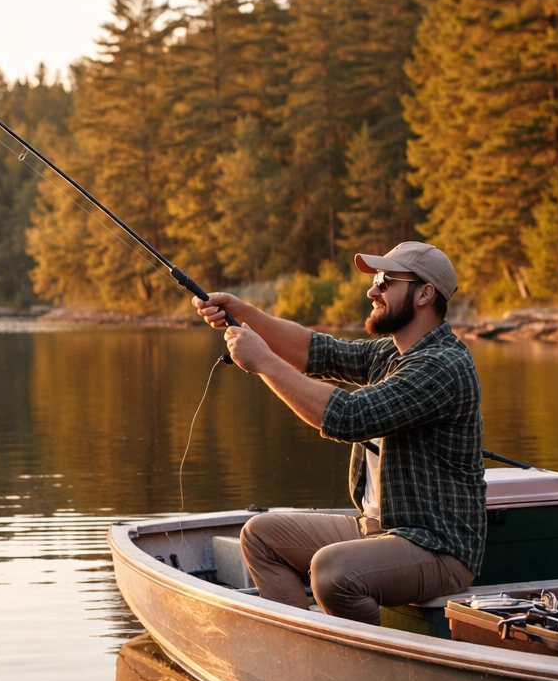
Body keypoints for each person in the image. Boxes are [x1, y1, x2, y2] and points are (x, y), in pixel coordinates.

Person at [193, 241, 484, 624]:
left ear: (425, 294)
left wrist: (263, 362)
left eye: (384, 281)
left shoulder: (442, 365)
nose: (372, 290)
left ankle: (361, 666)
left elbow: (348, 417)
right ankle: (300, 649)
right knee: (259, 535)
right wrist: (243, 313)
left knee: (332, 571)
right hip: (378, 529)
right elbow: (315, 351)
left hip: (437, 547)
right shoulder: (391, 354)